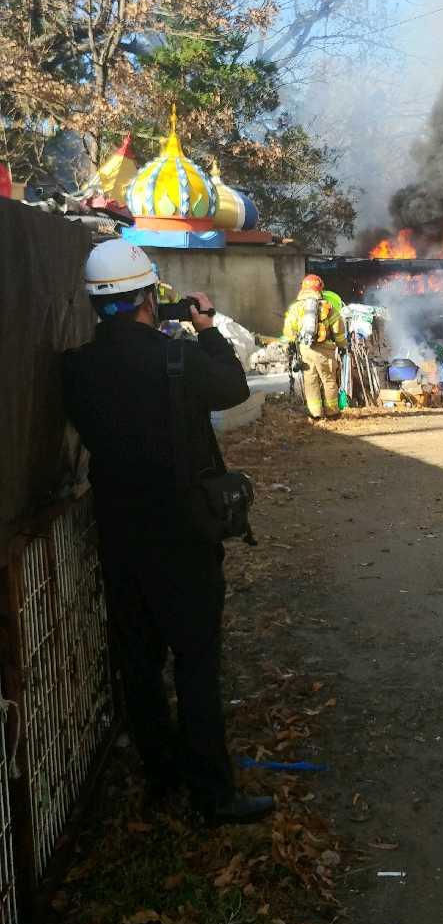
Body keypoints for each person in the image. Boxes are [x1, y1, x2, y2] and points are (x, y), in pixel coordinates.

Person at [61, 239, 273, 826]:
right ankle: (213, 793)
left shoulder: (76, 368)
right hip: (184, 536)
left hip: (119, 538)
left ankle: (161, 778)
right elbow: (233, 387)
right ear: (150, 297)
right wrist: (205, 327)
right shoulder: (177, 361)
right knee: (196, 662)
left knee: (140, 664)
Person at [282, 273, 347, 421]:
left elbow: (288, 329)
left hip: (306, 349)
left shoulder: (296, 308)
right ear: (320, 288)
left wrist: (292, 343)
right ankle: (332, 412)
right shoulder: (328, 307)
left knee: (310, 381)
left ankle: (315, 413)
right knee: (329, 380)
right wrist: (342, 345)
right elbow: (338, 329)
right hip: (326, 350)